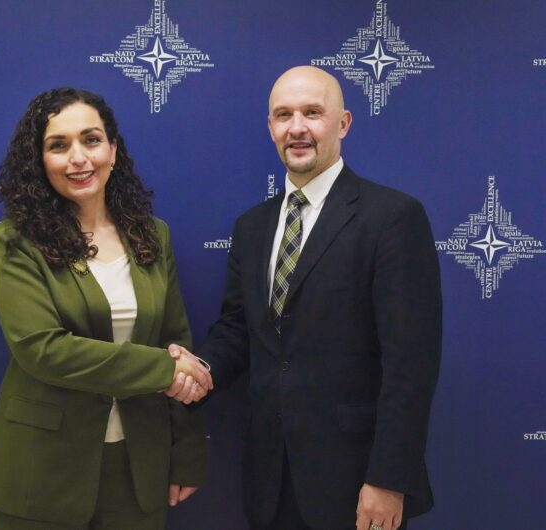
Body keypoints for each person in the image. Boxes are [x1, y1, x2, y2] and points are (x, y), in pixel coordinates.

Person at [167, 66, 442, 530]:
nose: (297, 128)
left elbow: (411, 365)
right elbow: (239, 329)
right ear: (270, 127)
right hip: (268, 478)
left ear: (343, 123)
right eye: (284, 115)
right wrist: (200, 370)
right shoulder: (251, 227)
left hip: (356, 481)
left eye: (312, 113)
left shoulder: (393, 218)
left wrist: (389, 478)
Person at [0, 87, 212, 530]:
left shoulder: (152, 235)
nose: (78, 158)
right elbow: (42, 349)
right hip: (42, 472)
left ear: (113, 150)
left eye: (91, 140)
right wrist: (162, 369)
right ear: (39, 160)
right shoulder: (16, 240)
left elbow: (176, 343)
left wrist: (186, 451)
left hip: (138, 468)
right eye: (58, 145)